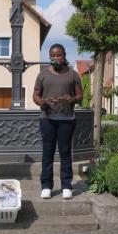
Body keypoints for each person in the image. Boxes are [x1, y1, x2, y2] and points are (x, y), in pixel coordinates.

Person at [33, 44, 83, 199]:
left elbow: (80, 96)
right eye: (53, 55)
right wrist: (41, 102)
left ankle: (67, 185)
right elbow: (35, 95)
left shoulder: (73, 74)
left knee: (65, 153)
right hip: (47, 119)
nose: (56, 58)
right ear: (49, 56)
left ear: (64, 55)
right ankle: (46, 186)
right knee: (47, 153)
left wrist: (72, 99)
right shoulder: (42, 75)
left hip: (67, 119)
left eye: (58, 55)